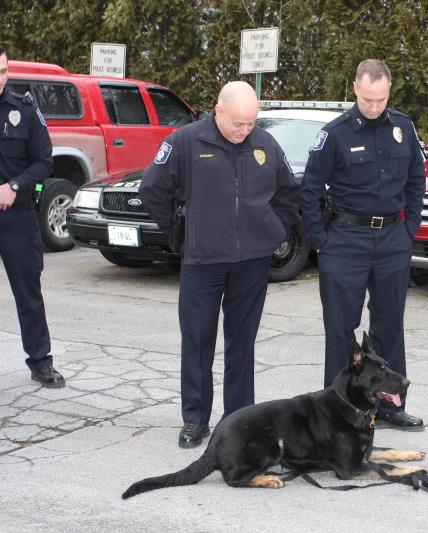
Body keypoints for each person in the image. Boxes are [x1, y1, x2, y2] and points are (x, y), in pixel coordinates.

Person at [140, 81, 299, 448]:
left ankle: (239, 420)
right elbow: (153, 188)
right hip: (202, 261)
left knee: (242, 343)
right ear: (218, 110)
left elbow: (289, 192)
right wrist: (180, 229)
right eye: (238, 123)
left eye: (251, 123)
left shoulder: (265, 144)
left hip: (252, 263)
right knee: (197, 342)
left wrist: (273, 232)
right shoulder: (185, 142)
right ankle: (195, 420)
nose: (245, 131)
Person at [300, 59, 426, 430]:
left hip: (392, 240)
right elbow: (309, 190)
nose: (375, 106)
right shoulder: (335, 134)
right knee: (341, 328)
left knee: (390, 324)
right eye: (369, 99)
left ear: (389, 90)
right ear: (355, 88)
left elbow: (417, 182)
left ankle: (390, 406)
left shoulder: (403, 127)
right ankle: (337, 412)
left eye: (382, 99)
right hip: (346, 240)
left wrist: (409, 231)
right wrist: (323, 241)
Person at [0, 45, 65, 388]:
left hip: (17, 216)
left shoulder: (24, 110)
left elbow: (44, 161)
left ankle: (40, 362)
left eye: (3, 71)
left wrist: (15, 184)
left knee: (28, 292)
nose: (0, 79)